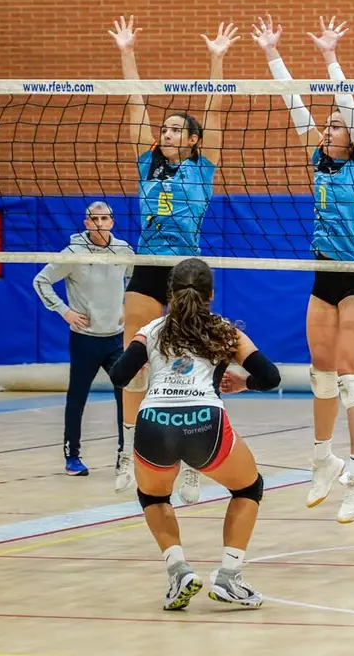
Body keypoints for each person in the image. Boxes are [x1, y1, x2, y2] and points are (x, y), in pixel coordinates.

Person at [253, 14, 354, 523]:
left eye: (334, 124)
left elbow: (350, 111)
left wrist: (331, 57)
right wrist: (272, 53)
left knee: (353, 375)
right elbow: (292, 101)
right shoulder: (320, 159)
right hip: (323, 271)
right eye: (327, 124)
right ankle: (322, 459)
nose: (326, 127)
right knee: (323, 373)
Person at [107, 15, 238, 501]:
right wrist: (127, 52)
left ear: (194, 140)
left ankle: (193, 463)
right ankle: (126, 450)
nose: (166, 133)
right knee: (136, 359)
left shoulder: (203, 166)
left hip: (187, 270)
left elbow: (217, 107)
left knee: (196, 361)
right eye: (164, 128)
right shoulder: (148, 163)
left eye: (177, 129)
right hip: (148, 263)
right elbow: (135, 102)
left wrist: (217, 60)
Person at [108, 257, 280, 610]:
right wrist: (244, 383)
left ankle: (178, 571)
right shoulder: (224, 330)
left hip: (153, 423)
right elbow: (270, 377)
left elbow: (119, 375)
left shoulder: (153, 329)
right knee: (248, 487)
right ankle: (229, 577)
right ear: (211, 294)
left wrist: (152, 368)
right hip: (205, 422)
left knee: (154, 498)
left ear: (169, 293)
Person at [33, 202, 134, 476]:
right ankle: (72, 457)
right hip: (84, 340)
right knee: (77, 398)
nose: (100, 223)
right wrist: (65, 311)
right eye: (94, 219)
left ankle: (124, 455)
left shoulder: (124, 251)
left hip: (115, 339)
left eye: (105, 218)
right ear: (86, 223)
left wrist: (127, 307)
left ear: (112, 222)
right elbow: (40, 281)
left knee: (125, 397)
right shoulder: (73, 254)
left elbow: (135, 281)